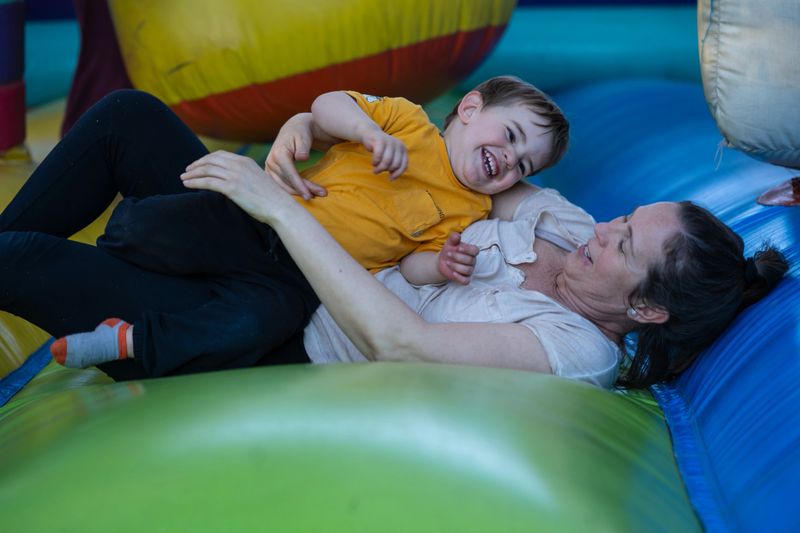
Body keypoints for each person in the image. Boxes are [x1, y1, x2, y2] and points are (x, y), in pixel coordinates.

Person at [1, 79, 568, 377]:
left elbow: (407, 266)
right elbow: (327, 107)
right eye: (512, 136)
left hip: (295, 281)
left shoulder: (467, 214)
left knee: (257, 317)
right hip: (258, 224)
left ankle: (132, 337)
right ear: (468, 109)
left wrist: (440, 265)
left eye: (525, 166)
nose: (511, 163)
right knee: (130, 119)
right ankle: (134, 235)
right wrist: (366, 133)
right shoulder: (406, 123)